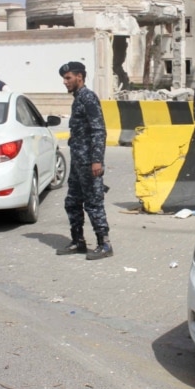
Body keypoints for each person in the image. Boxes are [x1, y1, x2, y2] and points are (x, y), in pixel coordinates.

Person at [55, 61, 113, 260]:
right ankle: (78, 241)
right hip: (78, 162)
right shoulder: (78, 98)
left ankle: (104, 244)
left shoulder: (88, 97)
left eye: (68, 78)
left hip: (89, 162)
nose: (65, 82)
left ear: (79, 77)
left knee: (94, 203)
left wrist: (97, 160)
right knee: (72, 202)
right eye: (64, 78)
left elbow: (99, 130)